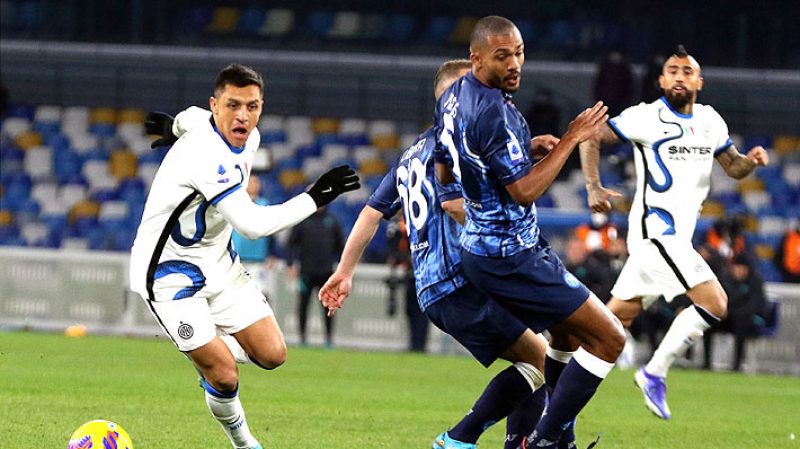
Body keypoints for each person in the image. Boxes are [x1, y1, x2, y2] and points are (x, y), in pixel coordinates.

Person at [320, 60, 551, 449]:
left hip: (432, 288)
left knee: (536, 360)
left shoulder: (412, 154)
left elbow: (370, 213)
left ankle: (494, 441)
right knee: (545, 361)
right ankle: (459, 438)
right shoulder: (453, 143)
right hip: (464, 277)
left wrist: (344, 272)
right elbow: (455, 205)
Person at [129, 64, 360, 449]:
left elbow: (189, 117)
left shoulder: (245, 137)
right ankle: (244, 441)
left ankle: (207, 348)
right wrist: (313, 197)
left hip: (220, 266)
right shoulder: (205, 157)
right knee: (224, 374)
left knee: (273, 355)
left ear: (261, 107)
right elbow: (252, 224)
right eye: (233, 105)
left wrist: (173, 127)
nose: (243, 116)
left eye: (252, 106)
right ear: (215, 105)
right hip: (170, 277)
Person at [434, 16, 624, 449]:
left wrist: (519, 150)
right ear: (476, 58)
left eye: (519, 53)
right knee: (610, 338)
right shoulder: (494, 112)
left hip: (482, 250)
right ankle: (546, 439)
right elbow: (524, 191)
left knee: (566, 336)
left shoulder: (452, 98)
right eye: (503, 56)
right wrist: (571, 137)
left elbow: (446, 168)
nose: (515, 64)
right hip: (510, 256)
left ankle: (556, 439)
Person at [579, 45, 769, 420]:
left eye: (687, 71)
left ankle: (553, 386)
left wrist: (750, 162)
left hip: (674, 241)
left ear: (699, 82)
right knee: (715, 303)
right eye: (673, 71)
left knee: (608, 328)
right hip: (655, 235)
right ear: (661, 81)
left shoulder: (711, 121)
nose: (680, 76)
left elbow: (733, 167)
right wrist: (593, 185)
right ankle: (654, 372)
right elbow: (590, 136)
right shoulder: (645, 117)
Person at [286, 207, 344, 347]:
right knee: (303, 305)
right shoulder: (303, 220)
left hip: (326, 272)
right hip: (306, 271)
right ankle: (302, 338)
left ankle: (328, 339)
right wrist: (290, 264)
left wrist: (341, 267)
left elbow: (341, 245)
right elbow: (291, 244)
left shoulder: (332, 220)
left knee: (328, 306)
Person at [703, 252, 767, 371]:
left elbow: (754, 306)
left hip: (747, 320)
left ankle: (737, 365)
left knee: (741, 326)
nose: (737, 271)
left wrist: (734, 313)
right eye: (736, 267)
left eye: (741, 268)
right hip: (727, 317)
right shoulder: (725, 278)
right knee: (708, 324)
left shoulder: (755, 281)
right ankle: (706, 363)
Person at [231, 175, 277, 295]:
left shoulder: (265, 204)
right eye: (251, 182)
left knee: (261, 293)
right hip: (238, 259)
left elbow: (272, 230)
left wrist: (272, 253)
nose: (254, 185)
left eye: (256, 182)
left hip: (259, 259)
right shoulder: (235, 205)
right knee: (237, 294)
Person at [592, 48, 635, 117]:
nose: (615, 57)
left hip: (621, 104)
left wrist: (626, 102)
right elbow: (598, 86)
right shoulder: (605, 69)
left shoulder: (625, 70)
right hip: (606, 103)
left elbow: (629, 88)